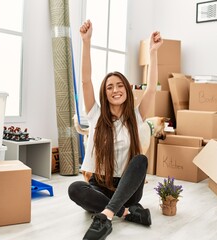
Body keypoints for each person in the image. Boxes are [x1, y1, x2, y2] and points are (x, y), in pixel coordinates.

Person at [68, 19, 163, 240]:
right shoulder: (96, 115)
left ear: (127, 90)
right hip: (100, 184)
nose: (115, 90)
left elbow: (151, 89)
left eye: (120, 85)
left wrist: (153, 52)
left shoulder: (136, 116)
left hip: (127, 188)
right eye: (110, 87)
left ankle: (106, 216)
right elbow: (85, 81)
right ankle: (126, 212)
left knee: (140, 160)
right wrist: (86, 42)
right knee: (74, 189)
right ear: (105, 93)